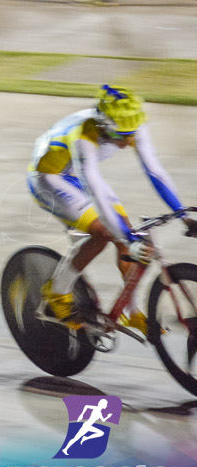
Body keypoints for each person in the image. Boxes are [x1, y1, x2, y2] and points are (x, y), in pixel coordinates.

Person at [29, 85, 197, 332]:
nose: (128, 141)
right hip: (48, 178)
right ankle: (56, 295)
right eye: (121, 136)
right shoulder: (83, 137)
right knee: (106, 232)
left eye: (131, 134)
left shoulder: (129, 123)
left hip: (75, 174)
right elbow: (95, 189)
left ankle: (131, 313)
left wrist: (183, 216)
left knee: (129, 237)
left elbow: (155, 172)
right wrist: (127, 239)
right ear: (103, 126)